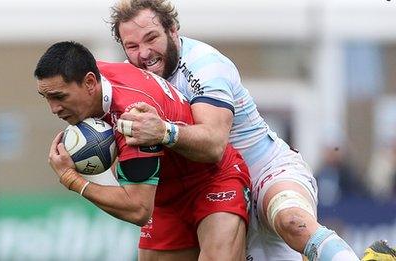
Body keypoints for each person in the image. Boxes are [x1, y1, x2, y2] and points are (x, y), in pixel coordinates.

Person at [109, 0, 360, 260]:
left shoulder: (204, 65)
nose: (145, 53)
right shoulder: (130, 83)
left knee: (292, 220)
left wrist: (163, 132)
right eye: (132, 46)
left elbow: (214, 144)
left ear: (173, 29)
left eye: (151, 38)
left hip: (266, 169)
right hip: (213, 191)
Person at [34, 41, 251, 260]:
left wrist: (72, 179)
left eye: (59, 97)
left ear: (90, 82)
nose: (54, 109)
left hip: (212, 179)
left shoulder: (133, 118)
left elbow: (138, 209)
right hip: (164, 195)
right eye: (47, 98)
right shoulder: (91, 74)